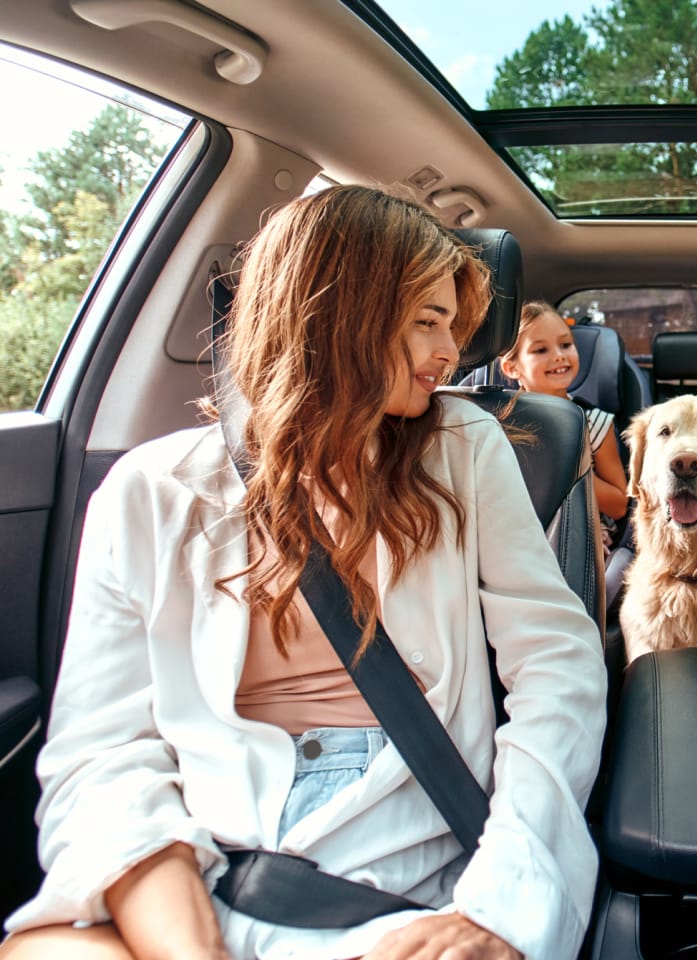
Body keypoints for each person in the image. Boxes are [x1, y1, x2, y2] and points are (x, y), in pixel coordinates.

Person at [0, 185, 607, 960]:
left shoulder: (463, 447)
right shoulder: (148, 491)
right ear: (336, 312)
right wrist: (189, 945)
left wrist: (499, 905)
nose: (450, 354)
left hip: (405, 874)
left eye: (453, 327)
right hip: (203, 862)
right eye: (427, 321)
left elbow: (557, 665)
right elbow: (102, 754)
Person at [499, 301, 630, 551]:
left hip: (579, 537)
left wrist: (565, 468)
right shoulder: (499, 425)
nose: (559, 355)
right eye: (541, 350)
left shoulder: (594, 424)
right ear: (512, 367)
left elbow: (619, 506)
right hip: (514, 535)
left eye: (566, 345)